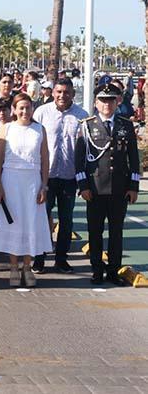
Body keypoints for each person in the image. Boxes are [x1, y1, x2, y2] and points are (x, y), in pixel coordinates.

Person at [75, 83, 140, 286]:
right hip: (95, 188)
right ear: (96, 103)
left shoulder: (125, 125)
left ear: (117, 102)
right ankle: (96, 270)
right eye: (103, 100)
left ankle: (113, 271)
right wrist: (83, 186)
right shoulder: (86, 126)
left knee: (116, 232)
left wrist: (133, 186)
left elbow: (133, 158)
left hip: (119, 188)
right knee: (95, 232)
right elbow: (79, 160)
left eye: (111, 100)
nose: (107, 104)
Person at [0, 93, 51, 288]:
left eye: (28, 107)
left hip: (32, 181)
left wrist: (44, 185)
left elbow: (45, 160)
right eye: (21, 108)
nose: (25, 111)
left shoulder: (39, 129)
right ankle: (13, 267)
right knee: (14, 223)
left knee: (31, 222)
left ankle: (27, 266)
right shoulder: (7, 129)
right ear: (14, 110)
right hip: (10, 180)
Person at [31, 78, 88, 274]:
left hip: (69, 176)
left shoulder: (82, 116)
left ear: (73, 94)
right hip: (45, 176)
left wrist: (83, 178)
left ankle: (61, 259)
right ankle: (39, 258)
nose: (62, 95)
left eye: (66, 92)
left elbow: (85, 149)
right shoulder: (41, 112)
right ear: (53, 93)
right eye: (59, 91)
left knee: (66, 220)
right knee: (41, 218)